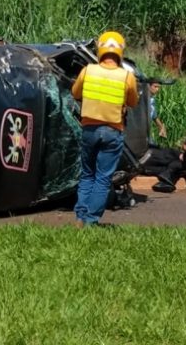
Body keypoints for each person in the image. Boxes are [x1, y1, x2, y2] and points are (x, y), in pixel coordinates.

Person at [70, 31, 139, 227]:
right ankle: (91, 221)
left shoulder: (88, 70)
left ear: (100, 49)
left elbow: (75, 93)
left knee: (87, 174)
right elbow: (133, 102)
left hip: (89, 130)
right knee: (102, 178)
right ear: (120, 52)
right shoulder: (126, 76)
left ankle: (80, 217)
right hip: (112, 131)